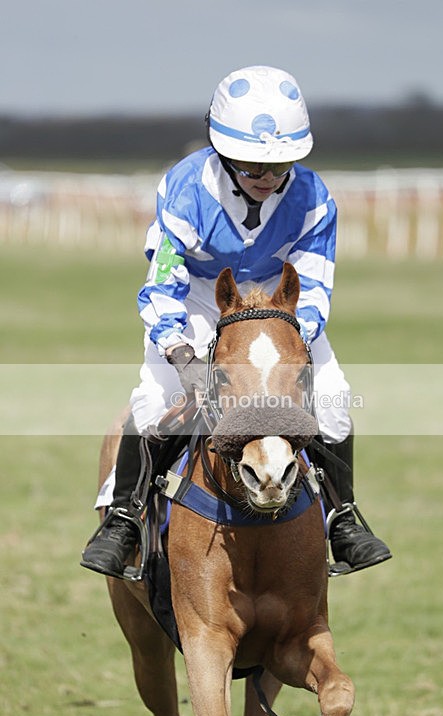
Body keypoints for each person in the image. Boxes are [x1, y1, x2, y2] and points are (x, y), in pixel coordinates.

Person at [81, 65, 391, 580]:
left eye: (280, 165)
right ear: (222, 152)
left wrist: (289, 341)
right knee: (154, 403)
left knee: (334, 405)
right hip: (201, 299)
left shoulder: (315, 198)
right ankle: (123, 520)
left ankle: (342, 519)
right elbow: (162, 284)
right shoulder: (184, 189)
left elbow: (313, 288)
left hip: (277, 310)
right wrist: (179, 353)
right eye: (252, 166)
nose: (268, 178)